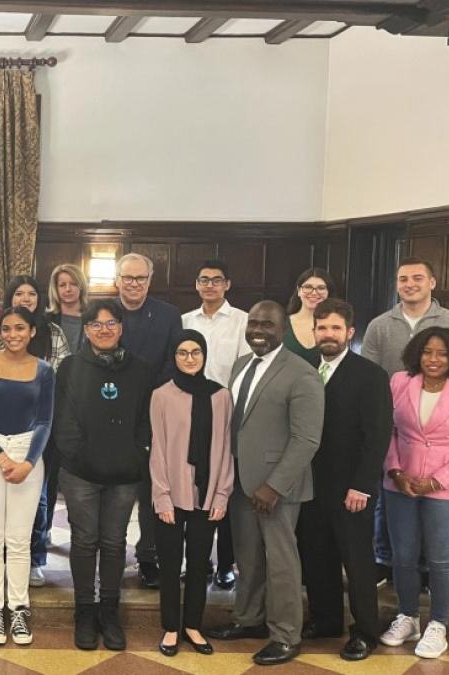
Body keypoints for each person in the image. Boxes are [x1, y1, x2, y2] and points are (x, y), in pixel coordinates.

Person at [208, 300, 324, 667]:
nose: (258, 329)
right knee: (248, 558)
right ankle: (249, 619)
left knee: (281, 562)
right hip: (242, 481)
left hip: (278, 489)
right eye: (254, 323)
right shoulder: (243, 364)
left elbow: (307, 439)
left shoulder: (302, 373)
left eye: (267, 324)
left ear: (283, 330)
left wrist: (274, 486)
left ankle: (286, 634)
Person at [360, 258, 449, 586]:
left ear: (432, 282)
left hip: (441, 422)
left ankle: (426, 571)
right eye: (403, 279)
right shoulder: (380, 324)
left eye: (417, 278)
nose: (409, 284)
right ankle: (385, 560)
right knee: (389, 496)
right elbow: (369, 373)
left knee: (433, 514)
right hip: (393, 419)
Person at [378, 327, 449, 660]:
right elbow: (387, 431)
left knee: (440, 559)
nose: (434, 359)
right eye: (428, 351)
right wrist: (395, 471)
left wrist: (435, 481)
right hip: (400, 484)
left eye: (443, 353)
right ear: (417, 353)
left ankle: (438, 624)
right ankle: (407, 616)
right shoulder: (400, 381)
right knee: (403, 556)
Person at [297, 299, 392, 662]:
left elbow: (377, 436)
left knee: (357, 562)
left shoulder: (370, 375)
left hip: (351, 487)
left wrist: (363, 486)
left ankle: (366, 632)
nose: (328, 334)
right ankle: (325, 620)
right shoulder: (303, 367)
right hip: (309, 484)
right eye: (322, 328)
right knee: (316, 556)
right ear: (314, 331)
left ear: (350, 333)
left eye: (336, 328)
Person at [54, 300, 151, 652]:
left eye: (111, 323)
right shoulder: (69, 367)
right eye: (96, 324)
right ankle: (84, 611)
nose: (105, 329)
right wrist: (78, 454)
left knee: (113, 543)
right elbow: (63, 423)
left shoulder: (141, 370)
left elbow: (145, 420)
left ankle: (109, 611)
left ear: (121, 328)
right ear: (87, 330)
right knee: (84, 541)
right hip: (81, 474)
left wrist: (137, 453)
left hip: (125, 474)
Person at [0, 306, 55, 647]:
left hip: (28, 452)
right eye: (6, 329)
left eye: (20, 328)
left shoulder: (45, 370)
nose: (13, 334)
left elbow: (45, 421)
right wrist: (1, 457)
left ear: (32, 331)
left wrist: (28, 462)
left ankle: (18, 607)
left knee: (19, 540)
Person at [0, 275, 70, 587]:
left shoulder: (53, 333)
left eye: (31, 293)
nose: (25, 298)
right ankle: (0, 557)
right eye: (19, 293)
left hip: (40, 427)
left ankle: (33, 558)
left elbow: (58, 379)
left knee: (38, 497)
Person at [151, 329, 234, 658]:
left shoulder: (221, 396)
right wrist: (161, 495)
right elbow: (156, 447)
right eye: (182, 352)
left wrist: (222, 494)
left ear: (204, 355)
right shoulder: (161, 395)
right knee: (170, 563)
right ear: (174, 356)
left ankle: (193, 625)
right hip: (171, 494)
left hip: (207, 495)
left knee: (200, 564)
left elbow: (226, 447)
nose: (189, 358)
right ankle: (172, 626)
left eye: (195, 352)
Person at [114, 252, 182, 589]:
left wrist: (151, 398)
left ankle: (149, 556)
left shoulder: (169, 315)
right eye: (128, 278)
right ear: (117, 280)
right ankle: (111, 554)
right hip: (113, 411)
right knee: (116, 487)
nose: (134, 284)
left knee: (153, 487)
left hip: (157, 412)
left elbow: (174, 362)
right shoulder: (104, 313)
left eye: (140, 278)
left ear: (149, 281)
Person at [181, 259, 250, 590]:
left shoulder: (242, 322)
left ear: (227, 284)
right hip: (188, 413)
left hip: (226, 412)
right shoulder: (184, 321)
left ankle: (225, 563)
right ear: (196, 285)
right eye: (203, 280)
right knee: (192, 487)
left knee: (223, 488)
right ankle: (195, 560)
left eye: (216, 280)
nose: (209, 285)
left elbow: (244, 370)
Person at [283, 268, 335, 361]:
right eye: (308, 287)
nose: (314, 292)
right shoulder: (282, 324)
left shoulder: (335, 325)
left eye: (321, 288)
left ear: (328, 293)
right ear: (299, 291)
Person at [47, 263, 89, 354]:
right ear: (56, 289)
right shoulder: (47, 320)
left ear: (81, 286)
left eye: (73, 284)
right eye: (62, 285)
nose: (68, 289)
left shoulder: (93, 317)